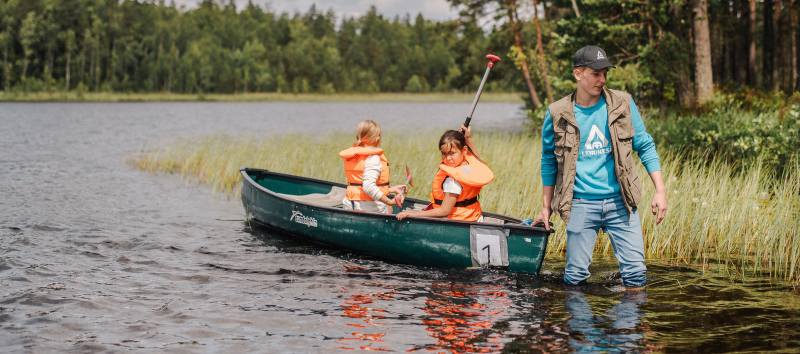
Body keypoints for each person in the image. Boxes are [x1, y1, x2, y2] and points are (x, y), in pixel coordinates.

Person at [533, 45, 668, 290]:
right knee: (575, 277)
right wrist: (545, 208)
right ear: (578, 74)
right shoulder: (557, 113)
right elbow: (548, 160)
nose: (602, 79)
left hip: (621, 202)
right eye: (596, 73)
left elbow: (645, 146)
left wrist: (660, 190)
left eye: (605, 73)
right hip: (581, 203)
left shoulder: (623, 103)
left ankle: (628, 328)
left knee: (636, 274)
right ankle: (581, 327)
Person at [396, 124, 493, 222]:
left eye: (452, 153)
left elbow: (444, 211)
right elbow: (476, 160)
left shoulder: (452, 180)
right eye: (444, 153)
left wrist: (413, 214)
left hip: (458, 222)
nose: (448, 159)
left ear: (464, 150)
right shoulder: (468, 164)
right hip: (475, 218)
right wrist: (468, 138)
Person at [340, 120, 406, 214]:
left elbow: (360, 184)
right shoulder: (373, 158)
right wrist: (390, 202)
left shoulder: (353, 154)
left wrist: (390, 189)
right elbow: (368, 187)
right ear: (377, 139)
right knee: (389, 207)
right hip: (368, 208)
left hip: (349, 204)